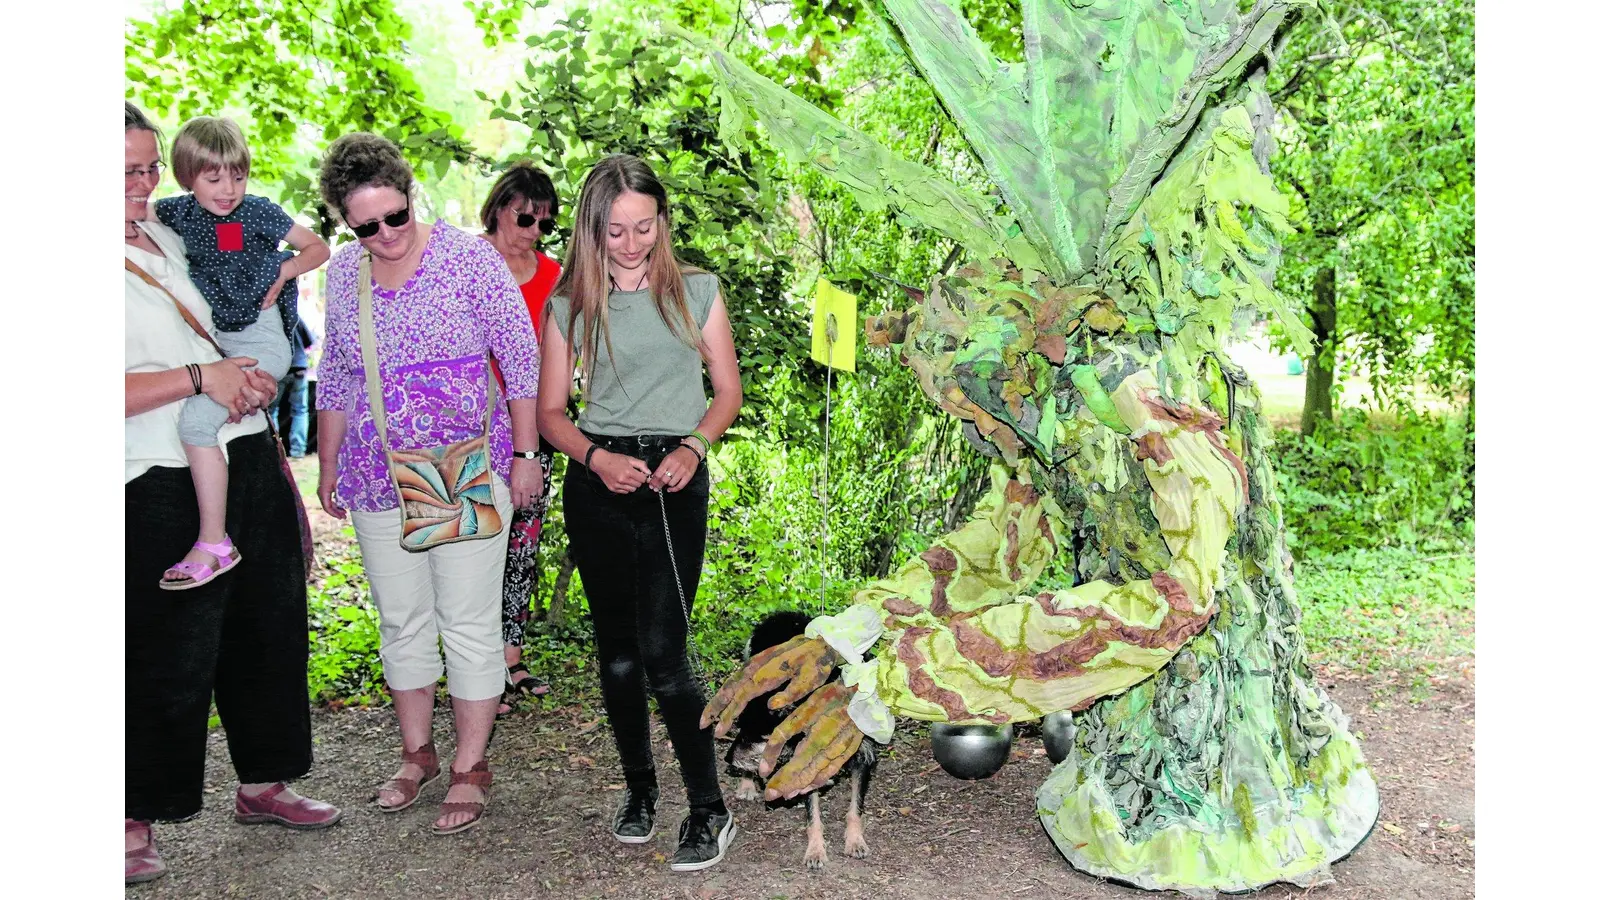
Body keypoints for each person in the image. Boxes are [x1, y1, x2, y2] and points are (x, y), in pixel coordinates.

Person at [125, 101, 341, 886]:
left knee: (268, 623)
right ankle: (128, 813)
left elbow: (237, 316)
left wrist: (243, 385)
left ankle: (264, 782)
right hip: (151, 471)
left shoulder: (166, 233)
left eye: (148, 167)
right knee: (162, 648)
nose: (142, 184)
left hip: (241, 445)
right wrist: (199, 378)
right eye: (127, 171)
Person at [315, 132, 541, 836]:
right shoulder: (344, 273)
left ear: (411, 198)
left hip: (462, 465)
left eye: (394, 217)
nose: (384, 235)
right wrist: (328, 465)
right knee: (401, 620)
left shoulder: (468, 257)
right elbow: (339, 373)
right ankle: (418, 753)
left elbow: (520, 356)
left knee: (469, 625)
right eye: (366, 225)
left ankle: (472, 765)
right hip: (378, 470)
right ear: (347, 224)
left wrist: (526, 454)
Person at [537, 154, 744, 872]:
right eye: (616, 231)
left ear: (662, 222)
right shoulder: (569, 304)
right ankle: (639, 790)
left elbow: (726, 393)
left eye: (644, 227)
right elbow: (552, 415)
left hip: (673, 479)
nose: (631, 244)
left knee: (666, 653)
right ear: (593, 230)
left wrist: (694, 446)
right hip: (598, 483)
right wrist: (596, 460)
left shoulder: (695, 292)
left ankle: (710, 808)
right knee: (618, 656)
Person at [153, 116, 331, 590]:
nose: (228, 188)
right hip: (217, 345)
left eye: (238, 175)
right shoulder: (176, 214)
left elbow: (318, 248)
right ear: (187, 176)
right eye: (214, 178)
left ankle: (214, 541)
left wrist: (284, 270)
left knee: (196, 423)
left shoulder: (257, 212)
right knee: (212, 419)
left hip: (260, 341)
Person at [480, 161, 563, 714]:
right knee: (474, 542)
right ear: (499, 206)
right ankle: (476, 666)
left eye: (544, 223)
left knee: (522, 544)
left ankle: (510, 656)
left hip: (535, 426)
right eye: (524, 217)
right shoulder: (465, 261)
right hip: (471, 426)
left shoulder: (555, 274)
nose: (532, 231)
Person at [269, 317, 318, 457]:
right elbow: (309, 341)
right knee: (300, 411)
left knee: (272, 411)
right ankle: (298, 451)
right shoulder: (295, 315)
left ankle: (275, 451)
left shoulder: (269, 316)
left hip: (279, 369)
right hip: (299, 368)